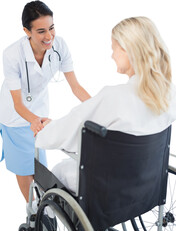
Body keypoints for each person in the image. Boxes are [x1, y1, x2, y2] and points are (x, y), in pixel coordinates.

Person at [36, 16, 176, 193]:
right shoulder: (169, 92)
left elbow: (71, 128)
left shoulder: (114, 97)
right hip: (146, 180)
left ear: (129, 50)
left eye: (114, 48)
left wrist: (47, 129)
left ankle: (48, 219)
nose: (112, 55)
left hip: (109, 185)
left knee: (58, 171)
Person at [0, 0, 91, 205]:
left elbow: (75, 87)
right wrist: (33, 120)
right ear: (27, 31)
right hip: (14, 114)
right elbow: (17, 103)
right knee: (23, 166)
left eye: (51, 28)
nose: (49, 36)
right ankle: (32, 208)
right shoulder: (12, 54)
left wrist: (98, 106)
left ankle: (45, 207)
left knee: (39, 164)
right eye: (41, 31)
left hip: (39, 109)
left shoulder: (60, 46)